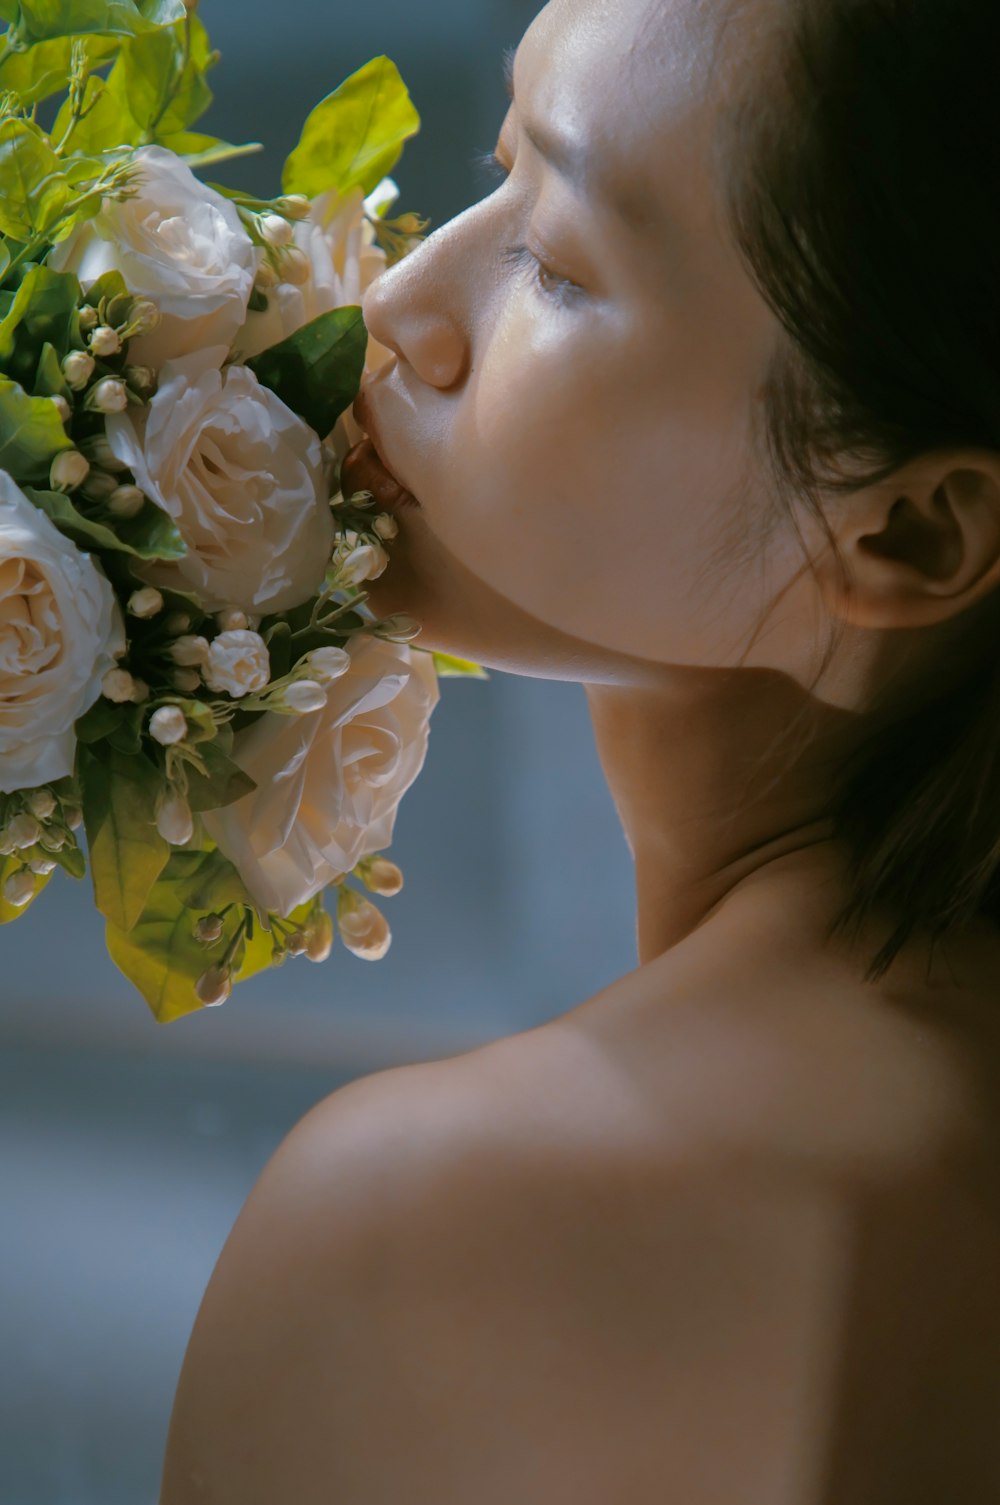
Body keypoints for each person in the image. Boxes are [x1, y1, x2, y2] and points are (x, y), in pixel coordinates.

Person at [158, 0, 1000, 1498]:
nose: (404, 304)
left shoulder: (434, 1226)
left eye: (555, 260)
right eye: (496, 170)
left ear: (910, 531)